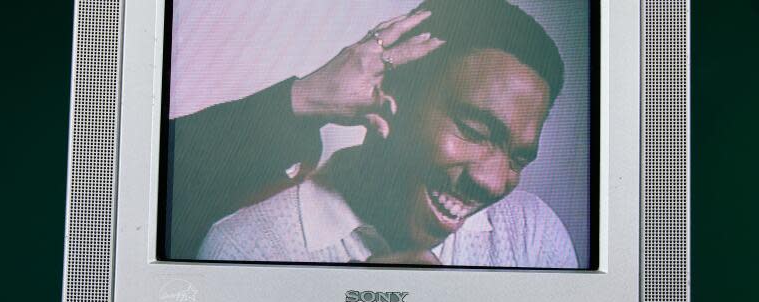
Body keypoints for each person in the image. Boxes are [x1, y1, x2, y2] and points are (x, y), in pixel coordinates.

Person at [188, 0, 577, 267]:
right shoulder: (248, 247)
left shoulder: (533, 232)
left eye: (519, 158)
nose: (492, 182)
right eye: (473, 130)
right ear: (391, 97)